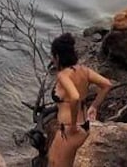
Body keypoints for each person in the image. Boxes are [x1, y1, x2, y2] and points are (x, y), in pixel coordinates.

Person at [48, 33, 113, 167]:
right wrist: (94, 106)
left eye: (53, 56)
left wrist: (72, 125)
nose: (52, 60)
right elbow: (107, 85)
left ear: (58, 57)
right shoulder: (84, 70)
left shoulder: (63, 76)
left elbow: (74, 97)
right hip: (83, 126)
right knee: (52, 160)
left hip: (70, 129)